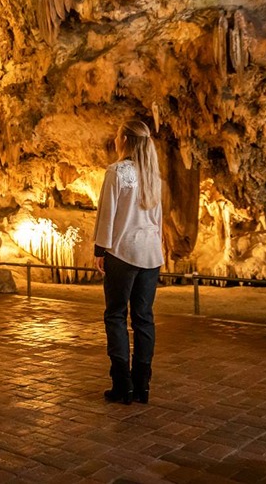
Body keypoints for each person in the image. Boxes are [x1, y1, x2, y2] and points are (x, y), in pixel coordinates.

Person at [93, 119, 163, 405]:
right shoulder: (154, 176)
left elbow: (107, 213)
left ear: (125, 140)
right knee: (144, 319)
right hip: (150, 255)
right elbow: (157, 221)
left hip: (122, 253)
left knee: (116, 315)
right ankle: (142, 385)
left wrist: (100, 249)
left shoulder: (118, 172)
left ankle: (123, 385)